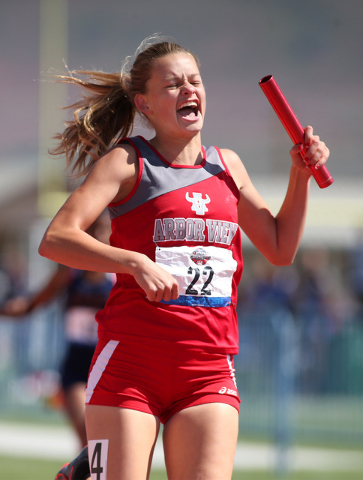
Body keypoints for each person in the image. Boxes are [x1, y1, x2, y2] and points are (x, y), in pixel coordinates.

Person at [38, 36, 330, 480]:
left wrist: (299, 176)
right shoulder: (129, 162)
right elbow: (56, 239)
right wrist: (134, 262)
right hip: (131, 365)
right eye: (173, 85)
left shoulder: (227, 167)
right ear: (145, 103)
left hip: (209, 368)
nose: (189, 90)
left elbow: (279, 247)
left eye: (195, 81)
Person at [1, 214, 114, 449]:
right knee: (86, 434)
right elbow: (36, 301)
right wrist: (13, 309)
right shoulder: (69, 272)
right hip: (77, 362)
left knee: (105, 439)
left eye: (103, 230)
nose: (97, 236)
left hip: (110, 363)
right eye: (91, 230)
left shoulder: (118, 276)